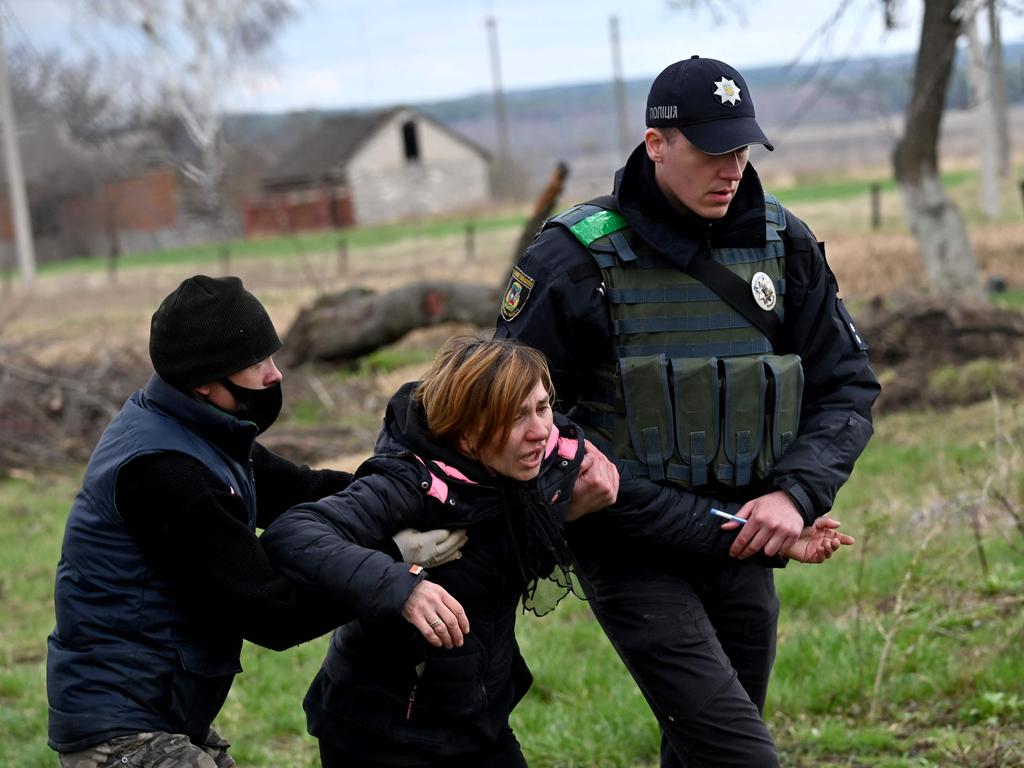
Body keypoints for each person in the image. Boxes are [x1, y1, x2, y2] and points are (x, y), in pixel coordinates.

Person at [496, 55, 880, 766]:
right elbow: (515, 421)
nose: (730, 169)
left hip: (746, 539)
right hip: (632, 545)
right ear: (656, 144)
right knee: (739, 754)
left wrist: (795, 495)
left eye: (740, 148)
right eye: (710, 151)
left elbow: (847, 387)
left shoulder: (783, 244)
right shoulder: (573, 261)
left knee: (705, 749)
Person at [261, 335, 855, 767]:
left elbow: (653, 509)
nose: (542, 430)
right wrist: (404, 585)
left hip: (478, 722)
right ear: (468, 433)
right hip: (380, 733)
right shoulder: (409, 482)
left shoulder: (553, 461)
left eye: (544, 407)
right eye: (517, 417)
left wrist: (771, 535)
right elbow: (298, 533)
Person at [46, 275, 466, 768]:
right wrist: (392, 563)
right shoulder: (164, 473)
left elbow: (300, 490)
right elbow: (273, 611)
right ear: (204, 381)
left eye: (272, 355)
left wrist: (422, 490)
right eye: (255, 364)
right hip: (121, 731)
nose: (275, 375)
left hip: (166, 710)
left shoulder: (198, 430)